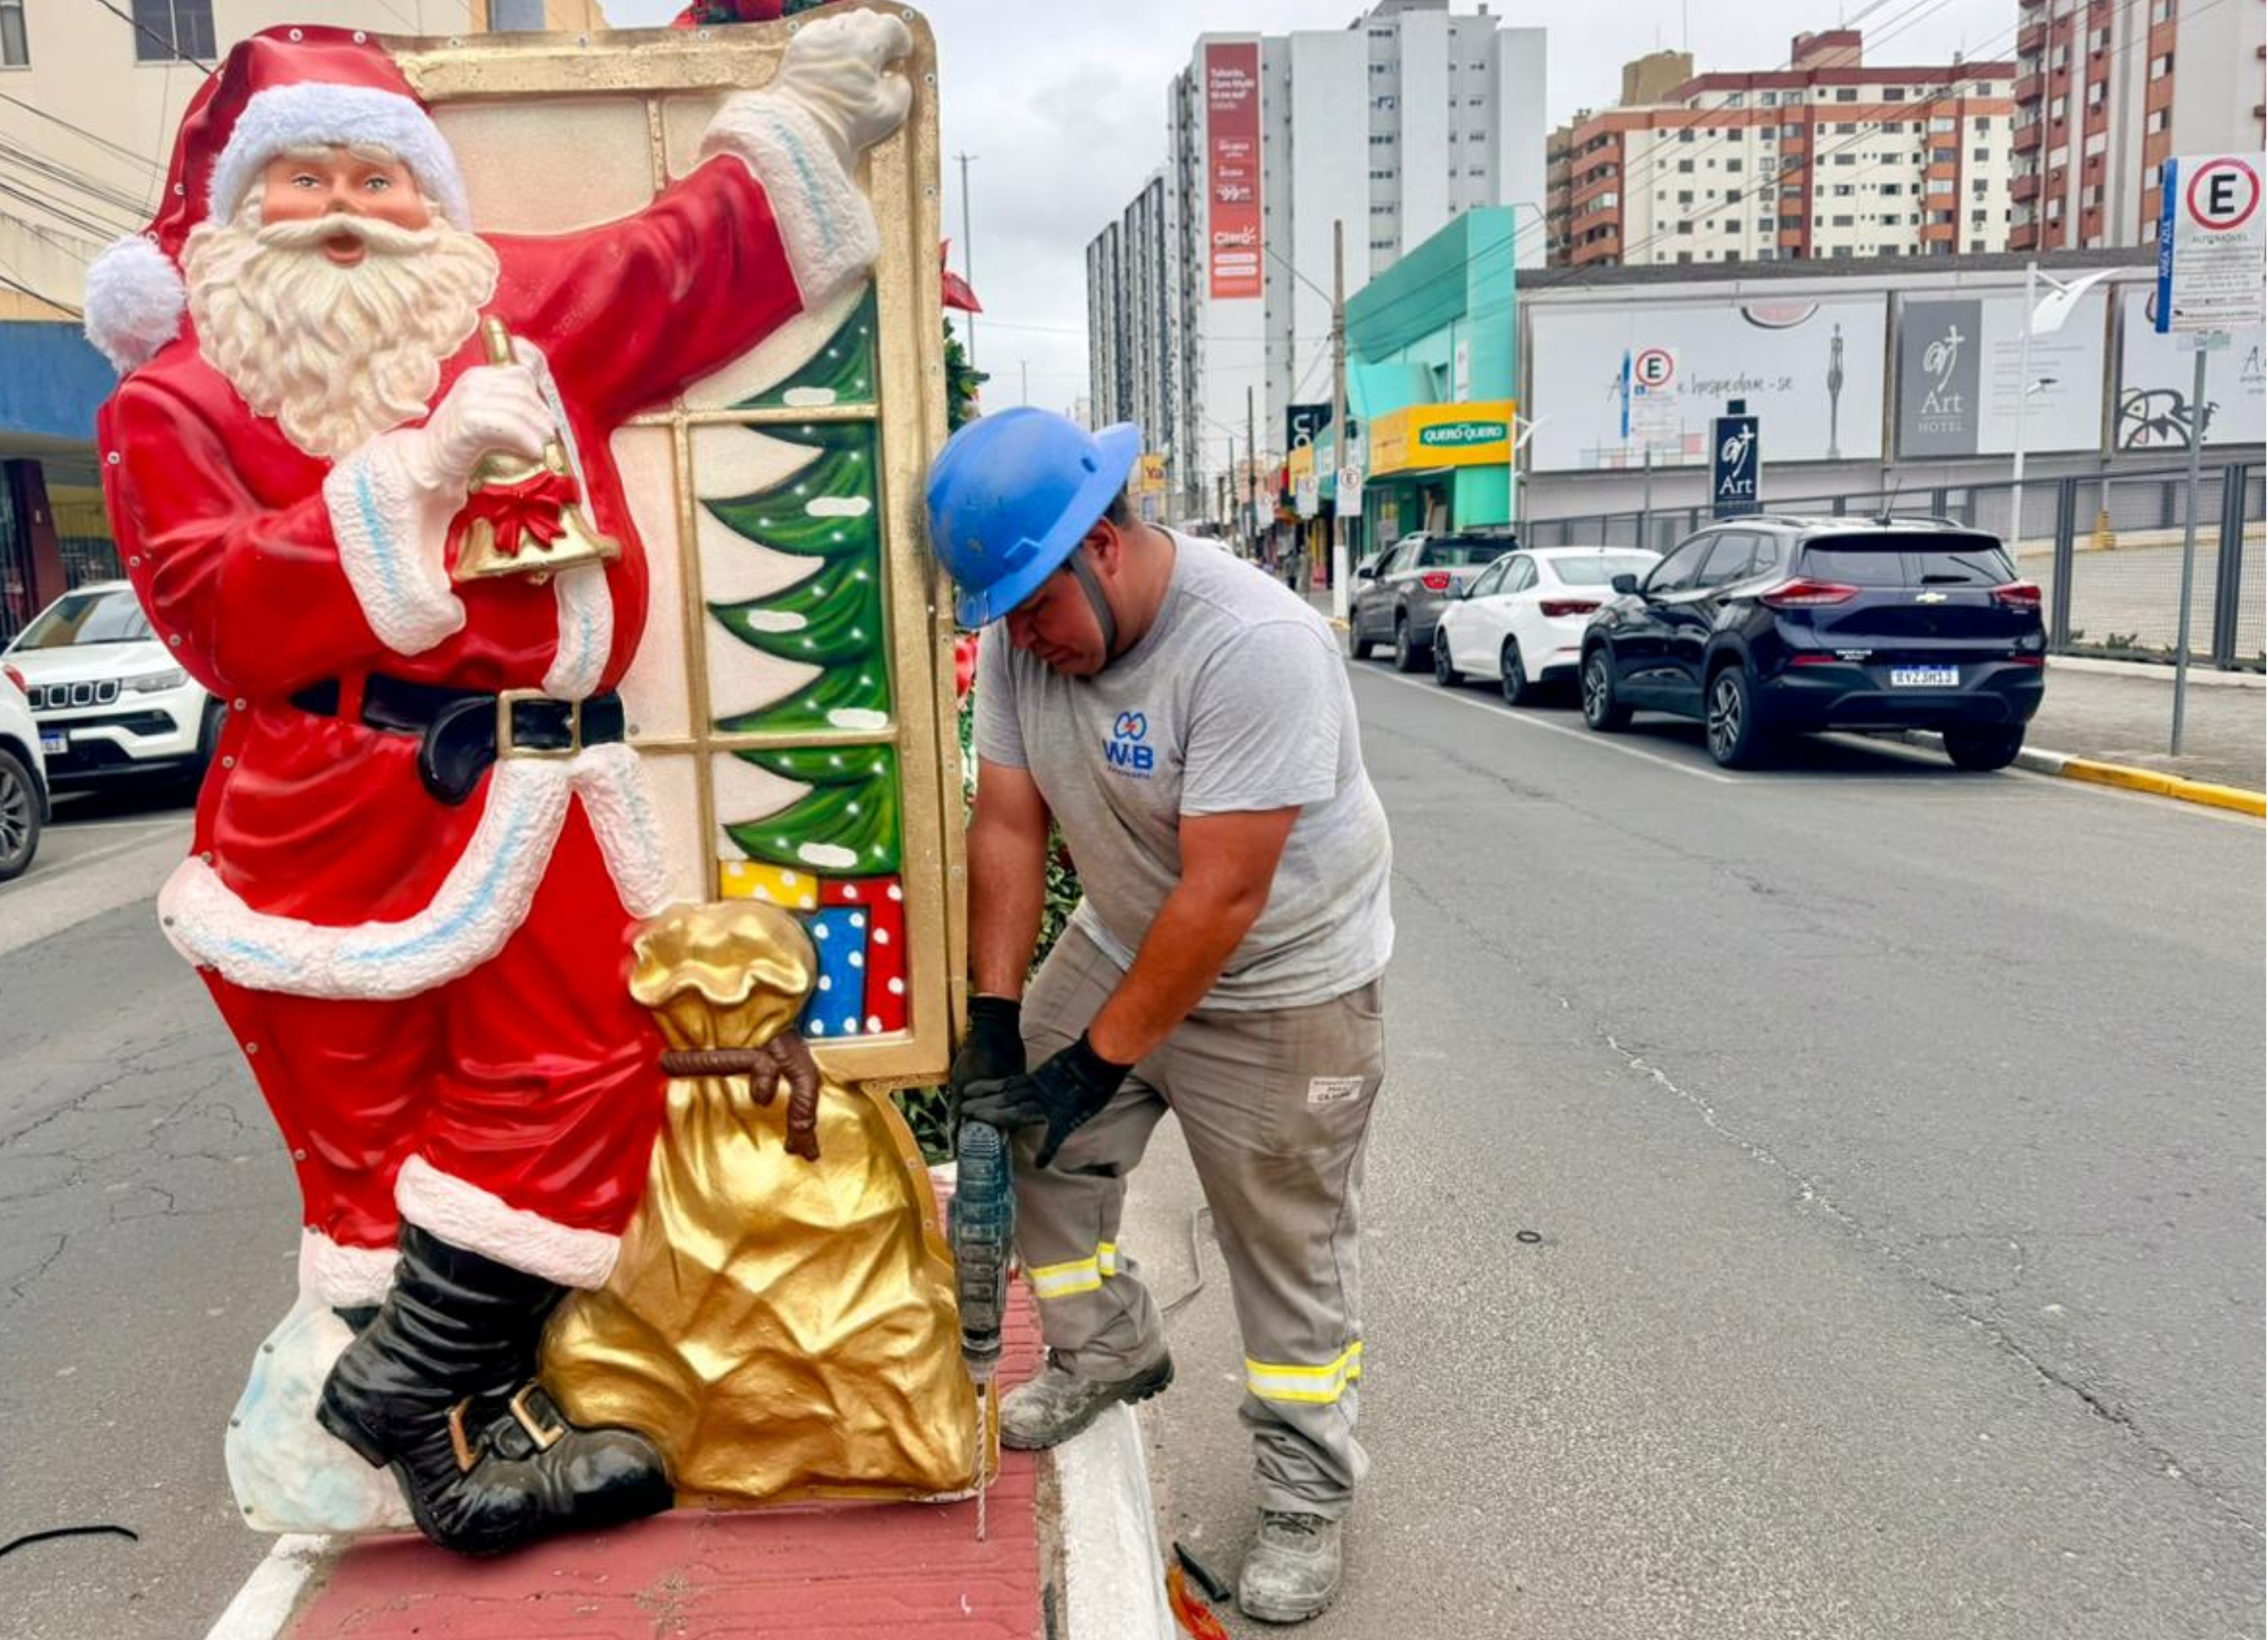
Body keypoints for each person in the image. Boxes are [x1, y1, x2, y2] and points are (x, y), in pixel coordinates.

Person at [86, 18, 912, 1552]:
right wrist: (410, 480)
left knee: (584, 1073)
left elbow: (676, 257)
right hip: (332, 822)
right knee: (366, 1142)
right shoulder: (176, 402)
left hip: (547, 794)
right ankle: (458, 1447)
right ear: (234, 215)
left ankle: (404, 1390)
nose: (346, 207)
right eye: (303, 177)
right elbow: (213, 609)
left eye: (381, 177)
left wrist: (808, 111)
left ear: (432, 196)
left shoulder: (507, 312)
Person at [928, 408, 1393, 1625]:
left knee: (1283, 1243)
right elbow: (1010, 826)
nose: (1024, 639)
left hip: (1284, 980)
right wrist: (996, 1028)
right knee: (1028, 1137)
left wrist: (1097, 1063)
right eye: (1007, 616)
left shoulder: (1255, 646)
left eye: (1036, 604)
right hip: (1129, 934)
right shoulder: (1036, 653)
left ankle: (1304, 1492)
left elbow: (1226, 892)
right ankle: (1104, 1347)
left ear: (1110, 543)